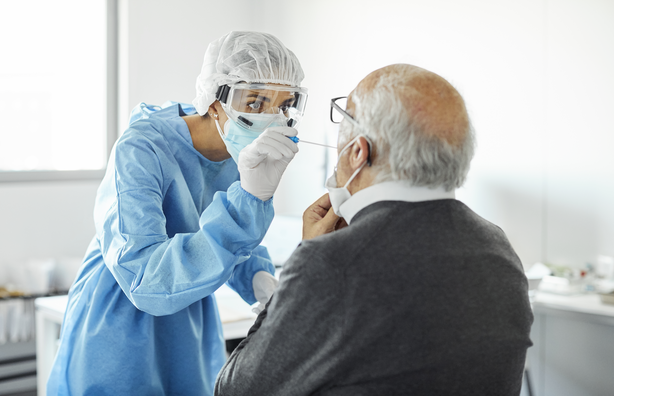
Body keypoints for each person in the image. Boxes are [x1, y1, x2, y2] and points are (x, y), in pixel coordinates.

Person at [215, 64, 534, 396]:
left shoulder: (331, 264)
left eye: (344, 119)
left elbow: (237, 389)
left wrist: (294, 281)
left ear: (358, 152)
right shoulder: (500, 250)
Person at [47, 31, 308, 396]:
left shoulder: (241, 154)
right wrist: (248, 198)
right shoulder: (142, 149)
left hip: (189, 312)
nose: (271, 119)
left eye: (283, 106)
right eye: (255, 102)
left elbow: (232, 240)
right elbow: (147, 280)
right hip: (121, 318)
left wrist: (259, 278)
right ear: (215, 101)